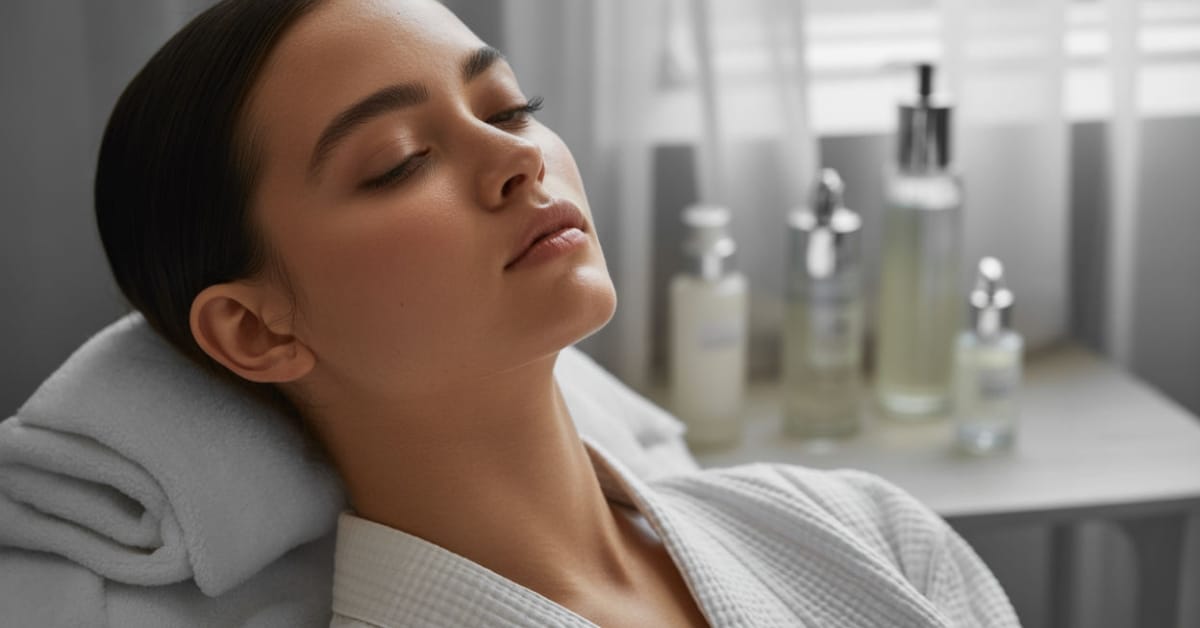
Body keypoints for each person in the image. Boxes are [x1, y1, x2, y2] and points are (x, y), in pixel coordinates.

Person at [94, 0, 1020, 626]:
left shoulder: (864, 530)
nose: (517, 158)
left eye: (510, 106)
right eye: (401, 160)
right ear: (258, 331)